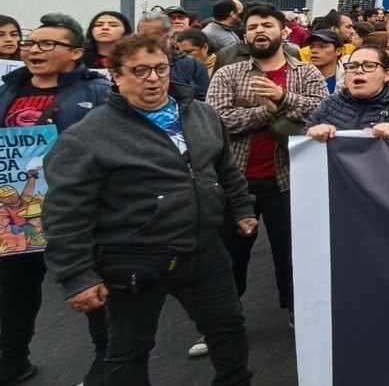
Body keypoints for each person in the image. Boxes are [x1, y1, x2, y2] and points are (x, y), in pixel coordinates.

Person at [42, 33, 256, 385]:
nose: (153, 79)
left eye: (160, 68)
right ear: (116, 75)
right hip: (134, 259)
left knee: (229, 329)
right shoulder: (87, 137)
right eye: (140, 70)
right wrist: (77, 275)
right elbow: (65, 215)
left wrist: (243, 207)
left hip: (204, 250)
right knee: (129, 349)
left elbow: (225, 170)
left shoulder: (201, 114)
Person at [201, 4, 325, 355]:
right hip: (236, 181)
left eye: (267, 25)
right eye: (252, 26)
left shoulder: (307, 73)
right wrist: (264, 111)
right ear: (244, 34)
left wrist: (283, 97)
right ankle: (224, 320)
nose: (259, 30)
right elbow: (217, 121)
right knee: (229, 255)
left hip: (291, 179)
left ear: (283, 32)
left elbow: (322, 110)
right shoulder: (229, 74)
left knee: (291, 255)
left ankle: (299, 315)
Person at [0, 14, 111, 383]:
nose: (34, 49)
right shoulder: (6, 89)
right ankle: (12, 360)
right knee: (14, 291)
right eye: (31, 43)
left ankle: (109, 363)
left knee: (91, 287)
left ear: (76, 53)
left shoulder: (97, 92)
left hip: (78, 209)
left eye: (48, 44)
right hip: (18, 210)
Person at [305, 47, 389, 140]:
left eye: (369, 66)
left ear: (387, 74)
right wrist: (311, 134)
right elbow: (300, 143)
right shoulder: (329, 104)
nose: (359, 71)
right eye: (352, 66)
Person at [135, 9, 210, 97]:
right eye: (144, 36)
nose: (149, 41)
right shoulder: (129, 63)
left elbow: (202, 101)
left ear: (170, 37)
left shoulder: (193, 65)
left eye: (155, 36)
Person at [304, 30, 345, 95]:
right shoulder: (300, 77)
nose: (314, 51)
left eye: (322, 46)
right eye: (311, 47)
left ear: (338, 51)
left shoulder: (347, 79)